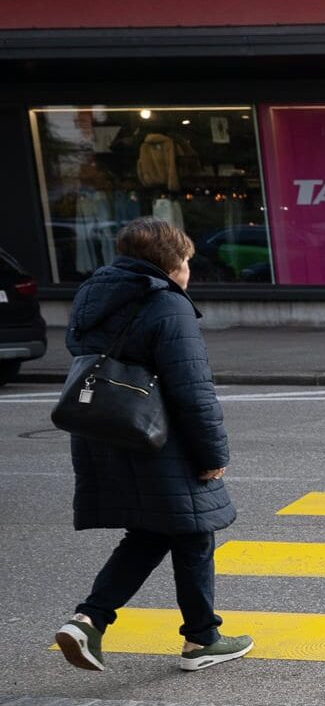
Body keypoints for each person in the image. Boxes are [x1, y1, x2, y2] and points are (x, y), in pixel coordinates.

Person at [54, 218, 253, 675]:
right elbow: (192, 389)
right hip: (158, 436)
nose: (189, 271)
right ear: (170, 263)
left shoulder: (92, 296)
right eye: (185, 261)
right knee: (193, 530)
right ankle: (202, 640)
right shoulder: (166, 303)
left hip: (105, 430)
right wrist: (212, 456)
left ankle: (89, 619)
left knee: (155, 532)